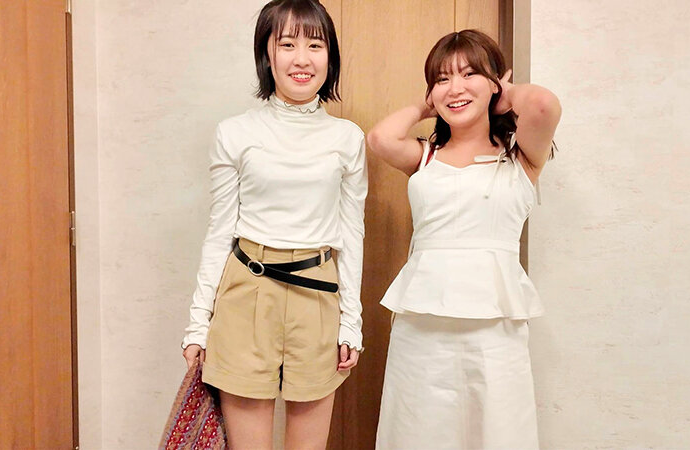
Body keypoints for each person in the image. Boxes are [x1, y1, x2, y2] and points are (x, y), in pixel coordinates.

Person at [180, 1, 367, 448]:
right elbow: (219, 232)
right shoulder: (234, 132)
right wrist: (198, 323)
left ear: (330, 56)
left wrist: (351, 322)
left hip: (317, 294)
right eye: (287, 44)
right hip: (247, 291)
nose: (302, 59)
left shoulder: (348, 138)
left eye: (315, 45)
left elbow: (352, 234)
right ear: (267, 54)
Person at [367, 29, 561, 449]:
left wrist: (505, 94)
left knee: (497, 430)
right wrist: (429, 103)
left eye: (469, 74)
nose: (455, 87)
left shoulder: (520, 157)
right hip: (422, 323)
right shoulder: (425, 156)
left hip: (495, 325)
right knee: (417, 429)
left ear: (494, 83)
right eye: (442, 78)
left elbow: (543, 104)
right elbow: (380, 139)